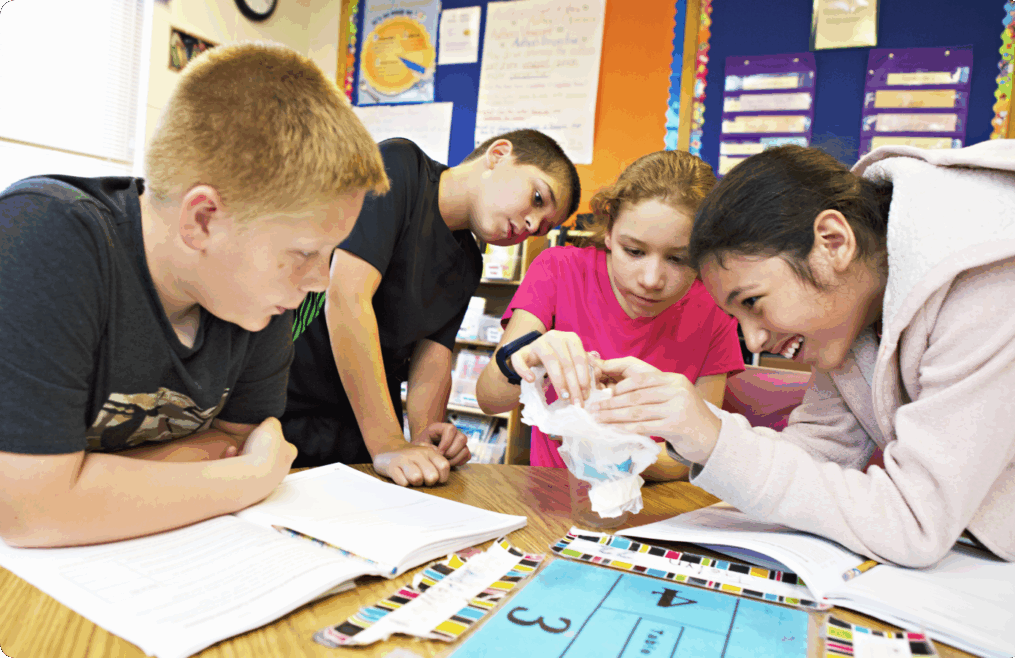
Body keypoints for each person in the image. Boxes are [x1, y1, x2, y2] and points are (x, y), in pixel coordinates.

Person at [0, 42, 388, 548]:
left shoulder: (254, 302)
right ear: (202, 220)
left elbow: (236, 440)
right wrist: (247, 478)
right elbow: (27, 512)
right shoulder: (45, 233)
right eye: (303, 252)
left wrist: (82, 481)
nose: (320, 280)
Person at [591, 141, 1015, 565]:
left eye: (753, 302)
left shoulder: (993, 283)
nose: (755, 340)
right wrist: (696, 427)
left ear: (833, 243)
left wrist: (714, 438)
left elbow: (915, 522)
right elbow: (815, 451)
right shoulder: (850, 304)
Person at [284, 131, 581, 486]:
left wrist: (429, 435)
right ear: (500, 155)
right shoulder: (401, 165)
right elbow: (346, 296)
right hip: (287, 406)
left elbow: (432, 358)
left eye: (543, 227)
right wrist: (389, 442)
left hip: (357, 430)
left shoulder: (469, 264)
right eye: (537, 197)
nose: (532, 225)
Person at [475, 150, 745, 480]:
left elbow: (697, 452)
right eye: (633, 251)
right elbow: (491, 401)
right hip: (554, 498)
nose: (651, 279)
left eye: (678, 259)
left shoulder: (714, 313)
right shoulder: (558, 271)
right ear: (608, 231)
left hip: (657, 509)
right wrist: (526, 358)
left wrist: (613, 451)